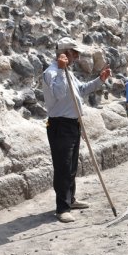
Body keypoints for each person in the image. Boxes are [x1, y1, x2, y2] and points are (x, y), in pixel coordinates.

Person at [42, 37, 111, 223]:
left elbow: (80, 89)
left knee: (71, 165)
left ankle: (70, 199)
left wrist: (100, 80)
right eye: (75, 53)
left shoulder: (67, 73)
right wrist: (62, 69)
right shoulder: (52, 72)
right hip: (60, 125)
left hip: (73, 124)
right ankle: (61, 208)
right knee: (63, 167)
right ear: (65, 53)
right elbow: (59, 93)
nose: (78, 56)